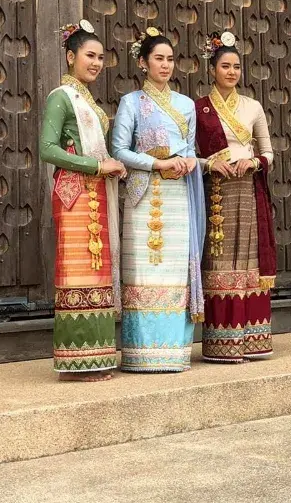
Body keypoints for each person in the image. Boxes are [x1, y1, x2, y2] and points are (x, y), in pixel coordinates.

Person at [111, 28, 205, 372]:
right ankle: (140, 354)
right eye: (158, 59)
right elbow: (118, 151)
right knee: (144, 270)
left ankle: (173, 352)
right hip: (144, 193)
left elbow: (191, 148)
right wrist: (157, 163)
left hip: (179, 194)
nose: (165, 65)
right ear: (142, 63)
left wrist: (190, 161)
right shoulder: (131, 102)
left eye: (169, 59)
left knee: (174, 271)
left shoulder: (185, 104)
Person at [39, 22, 127, 379]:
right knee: (77, 273)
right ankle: (75, 363)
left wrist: (110, 167)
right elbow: (47, 148)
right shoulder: (61, 96)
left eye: (101, 57)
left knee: (97, 273)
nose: (96, 63)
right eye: (90, 55)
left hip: (95, 192)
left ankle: (97, 357)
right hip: (75, 194)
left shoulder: (87, 100)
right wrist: (95, 164)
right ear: (71, 56)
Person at [194, 32, 278, 362]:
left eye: (236, 67)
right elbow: (191, 154)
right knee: (218, 258)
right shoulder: (198, 108)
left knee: (249, 260)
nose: (231, 72)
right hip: (217, 191)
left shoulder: (253, 107)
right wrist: (210, 163)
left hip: (248, 188)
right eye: (225, 66)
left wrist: (254, 161)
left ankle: (252, 340)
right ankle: (220, 342)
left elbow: (269, 152)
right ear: (212, 69)